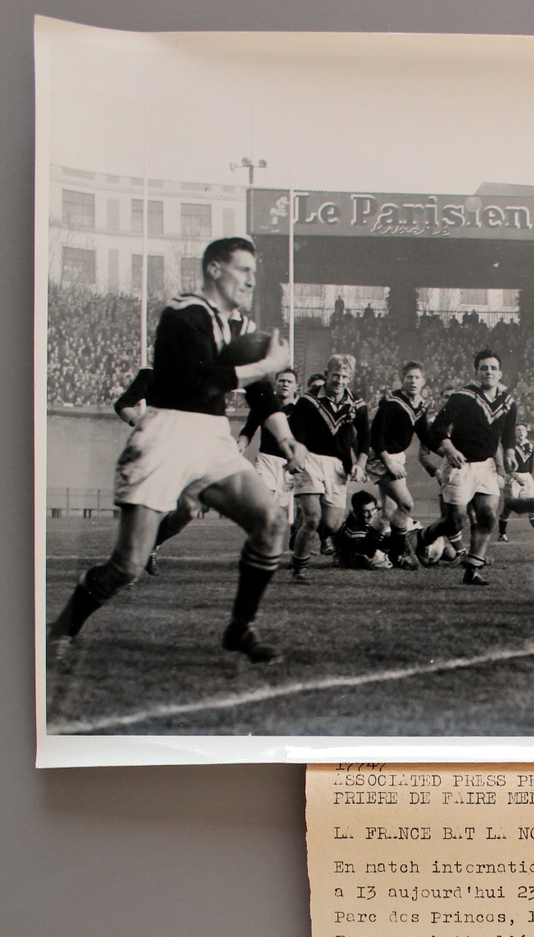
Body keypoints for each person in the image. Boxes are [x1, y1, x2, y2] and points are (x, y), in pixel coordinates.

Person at [48, 235, 305, 665]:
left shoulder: (240, 325)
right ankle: (64, 627)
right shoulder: (182, 314)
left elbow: (262, 395)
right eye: (243, 269)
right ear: (215, 269)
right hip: (165, 435)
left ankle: (240, 628)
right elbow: (201, 380)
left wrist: (287, 439)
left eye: (254, 273)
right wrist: (264, 364)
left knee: (271, 520)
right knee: (127, 567)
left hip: (211, 436)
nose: (250, 280)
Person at [410, 349, 517, 586]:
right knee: (455, 522)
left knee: (488, 517)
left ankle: (472, 569)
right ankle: (420, 537)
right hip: (460, 466)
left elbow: (509, 433)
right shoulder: (463, 396)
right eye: (483, 368)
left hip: (487, 467)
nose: (488, 372)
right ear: (476, 372)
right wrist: (450, 449)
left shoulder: (508, 401)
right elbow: (438, 427)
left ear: (500, 373)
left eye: (492, 368)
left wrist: (509, 453)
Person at [287, 354, 369, 582]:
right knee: (312, 518)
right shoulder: (308, 401)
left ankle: (342, 550)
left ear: (350, 377)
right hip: (310, 460)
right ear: (326, 374)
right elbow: (296, 435)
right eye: (335, 375)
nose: (339, 380)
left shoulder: (357, 404)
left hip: (339, 467)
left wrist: (360, 464)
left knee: (331, 524)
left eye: (344, 376)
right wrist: (296, 458)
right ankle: (299, 568)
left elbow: (365, 437)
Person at [114, 367, 197, 576]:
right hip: (155, 451)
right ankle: (127, 567)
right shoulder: (151, 374)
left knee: (189, 510)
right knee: (148, 509)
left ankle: (151, 544)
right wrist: (137, 421)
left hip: (185, 452)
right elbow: (122, 404)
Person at [365, 361, 431, 569]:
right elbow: (375, 436)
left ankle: (362, 552)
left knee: (388, 511)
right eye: (409, 377)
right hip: (381, 456)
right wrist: (388, 464)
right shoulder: (392, 402)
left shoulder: (420, 404)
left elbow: (426, 436)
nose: (413, 381)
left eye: (417, 377)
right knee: (406, 504)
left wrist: (448, 450)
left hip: (396, 456)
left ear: (424, 381)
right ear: (402, 380)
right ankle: (397, 555)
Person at [237, 368, 299, 512]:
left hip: (289, 464)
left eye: (289, 382)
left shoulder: (301, 409)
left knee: (279, 510)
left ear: (296, 386)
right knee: (264, 504)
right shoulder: (264, 406)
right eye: (282, 381)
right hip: (266, 460)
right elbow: (248, 430)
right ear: (275, 384)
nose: (285, 384)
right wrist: (241, 443)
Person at [497, 423, 534, 542]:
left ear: (527, 432)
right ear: (514, 433)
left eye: (523, 430)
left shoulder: (531, 446)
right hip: (513, 477)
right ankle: (502, 533)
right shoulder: (509, 447)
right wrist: (513, 475)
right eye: (518, 430)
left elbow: (533, 465)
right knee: (508, 508)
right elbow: (504, 463)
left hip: (526, 478)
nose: (521, 432)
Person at [332, 490, 393, 570]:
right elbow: (357, 559)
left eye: (372, 510)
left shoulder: (359, 518)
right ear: (356, 511)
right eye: (366, 512)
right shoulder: (355, 533)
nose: (371, 515)